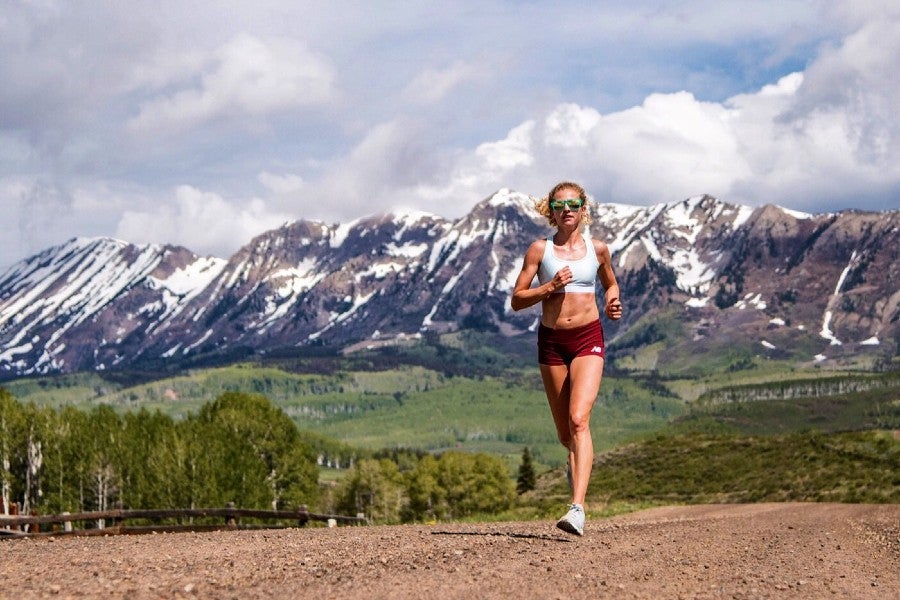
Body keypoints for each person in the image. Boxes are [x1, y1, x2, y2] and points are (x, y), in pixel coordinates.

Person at [511, 181, 622, 536]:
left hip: (588, 338)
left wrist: (612, 301)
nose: (567, 209)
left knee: (578, 421)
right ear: (551, 211)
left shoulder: (598, 249)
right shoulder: (539, 251)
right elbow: (517, 299)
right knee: (565, 435)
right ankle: (576, 465)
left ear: (583, 207)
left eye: (573, 203)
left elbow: (611, 283)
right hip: (551, 343)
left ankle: (577, 508)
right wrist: (549, 287)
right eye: (560, 205)